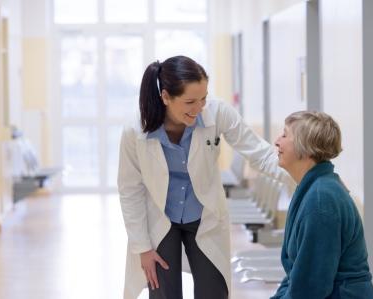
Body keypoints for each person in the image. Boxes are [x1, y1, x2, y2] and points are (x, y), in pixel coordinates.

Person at [118, 55, 293, 299]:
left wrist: (307, 177)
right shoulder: (135, 131)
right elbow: (130, 190)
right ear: (166, 97)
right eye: (190, 101)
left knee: (214, 292)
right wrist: (142, 248)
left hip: (204, 217)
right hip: (160, 220)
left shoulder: (217, 112)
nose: (199, 108)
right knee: (163, 293)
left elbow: (259, 152)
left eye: (203, 98)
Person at [271, 111, 373, 299]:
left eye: (285, 134)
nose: (277, 141)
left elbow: (309, 290)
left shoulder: (321, 202)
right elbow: (296, 277)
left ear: (306, 148)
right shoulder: (314, 189)